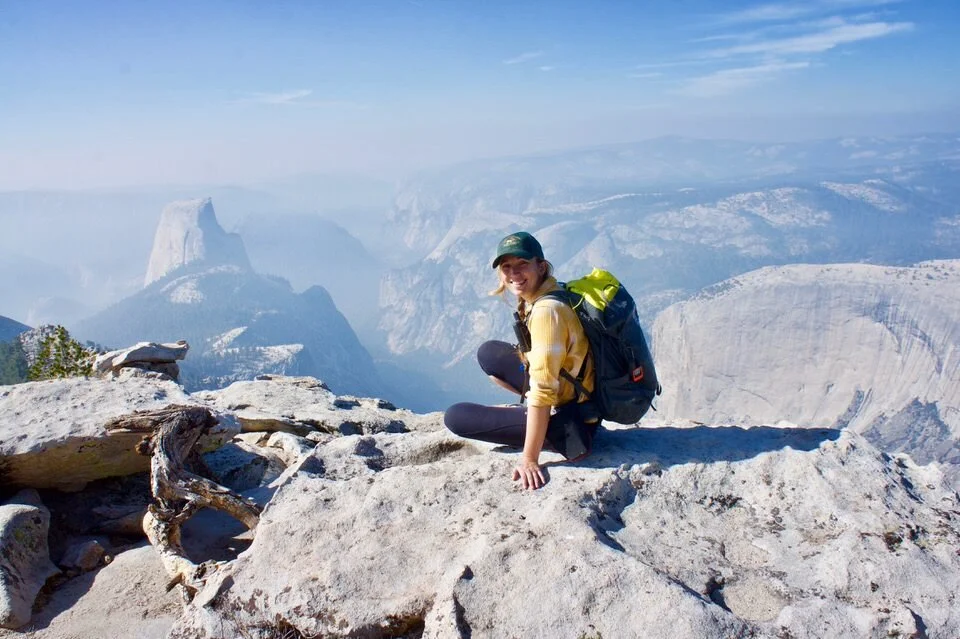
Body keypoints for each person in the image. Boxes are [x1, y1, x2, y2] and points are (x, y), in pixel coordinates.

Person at [444, 231, 598, 490]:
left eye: (522, 264)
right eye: (507, 267)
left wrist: (529, 459)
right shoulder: (550, 291)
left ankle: (544, 430)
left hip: (573, 420)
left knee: (456, 417)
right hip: (578, 392)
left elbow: (543, 391)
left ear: (541, 266)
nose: (514, 273)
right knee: (489, 353)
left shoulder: (547, 312)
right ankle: (532, 418)